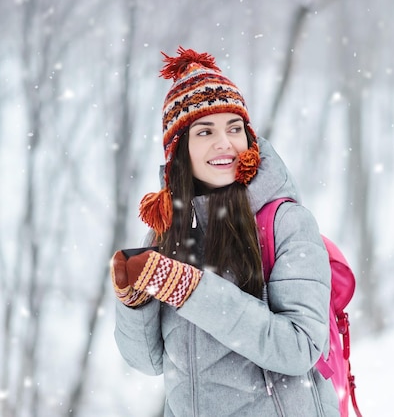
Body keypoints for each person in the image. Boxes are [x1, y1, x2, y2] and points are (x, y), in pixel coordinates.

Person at [109, 47, 338, 416]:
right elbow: (147, 361)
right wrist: (133, 302)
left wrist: (190, 289)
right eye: (205, 131)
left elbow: (301, 348)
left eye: (235, 128)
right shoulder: (166, 236)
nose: (225, 143)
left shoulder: (285, 223)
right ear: (180, 150)